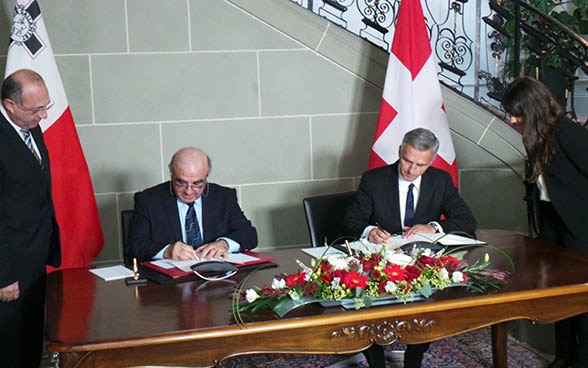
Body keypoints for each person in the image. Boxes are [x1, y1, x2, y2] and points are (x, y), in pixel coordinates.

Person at [343, 127, 477, 368]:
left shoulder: (440, 181)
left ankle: (414, 357)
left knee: (427, 301)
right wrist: (369, 231)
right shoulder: (373, 180)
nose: (411, 170)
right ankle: (376, 361)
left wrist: (434, 227)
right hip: (382, 261)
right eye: (407, 160)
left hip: (421, 262)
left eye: (420, 165)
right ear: (399, 152)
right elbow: (351, 220)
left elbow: (468, 221)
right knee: (369, 302)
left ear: (431, 161)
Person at [501, 76, 588, 368]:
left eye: (516, 113)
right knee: (557, 297)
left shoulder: (568, 133)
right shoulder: (536, 136)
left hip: (581, 229)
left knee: (582, 301)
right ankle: (563, 356)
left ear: (533, 109)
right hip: (553, 227)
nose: (511, 120)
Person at [0, 69, 62, 367]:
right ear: (10, 105)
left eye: (45, 107)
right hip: (9, 269)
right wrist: (4, 275)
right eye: (36, 109)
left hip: (35, 260)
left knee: (31, 343)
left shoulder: (30, 126)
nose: (43, 116)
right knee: (10, 349)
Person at [126, 147, 258, 262]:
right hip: (168, 284)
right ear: (172, 175)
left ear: (206, 178)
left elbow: (249, 235)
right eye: (181, 183)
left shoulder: (224, 197)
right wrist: (167, 251)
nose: (188, 191)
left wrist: (225, 243)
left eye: (197, 184)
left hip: (217, 278)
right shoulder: (148, 200)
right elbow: (134, 246)